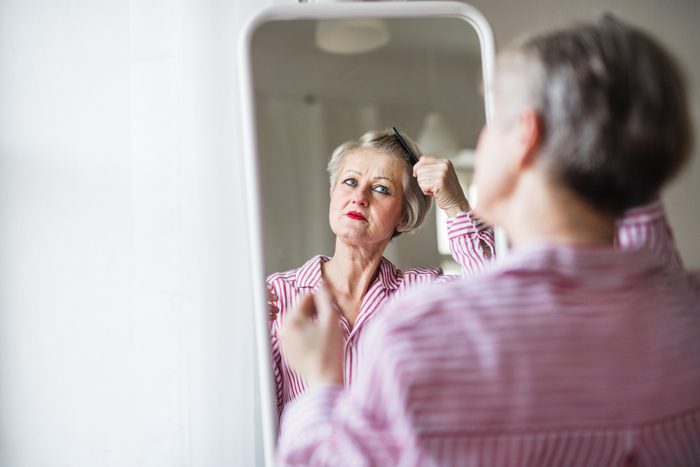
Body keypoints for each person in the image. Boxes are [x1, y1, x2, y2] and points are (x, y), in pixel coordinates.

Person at [277, 17, 700, 466]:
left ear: (524, 135)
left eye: (492, 120)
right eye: (349, 182)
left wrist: (321, 384)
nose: (359, 196)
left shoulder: (420, 328)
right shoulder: (687, 315)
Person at [267, 128, 494, 417]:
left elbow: (497, 308)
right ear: (332, 195)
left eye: (381, 189)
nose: (359, 197)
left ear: (404, 216)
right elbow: (259, 416)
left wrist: (456, 206)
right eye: (350, 182)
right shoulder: (277, 296)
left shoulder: (423, 295)